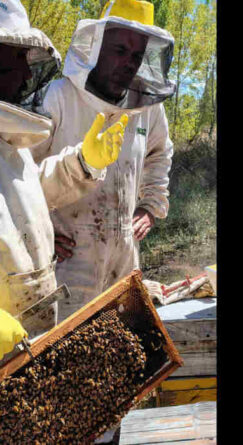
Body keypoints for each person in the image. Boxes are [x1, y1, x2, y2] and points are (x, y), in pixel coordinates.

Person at [31, 0, 176, 321]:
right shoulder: (56, 97)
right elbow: (20, 176)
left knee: (119, 345)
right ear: (96, 46)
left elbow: (160, 153)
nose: (128, 62)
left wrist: (150, 205)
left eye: (137, 55)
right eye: (119, 49)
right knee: (58, 349)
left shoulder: (149, 108)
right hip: (63, 259)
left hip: (122, 256)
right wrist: (38, 231)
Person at [0, 0, 125, 355]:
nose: (26, 76)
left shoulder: (8, 137)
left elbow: (25, 196)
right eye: (15, 61)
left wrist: (82, 164)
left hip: (29, 350)